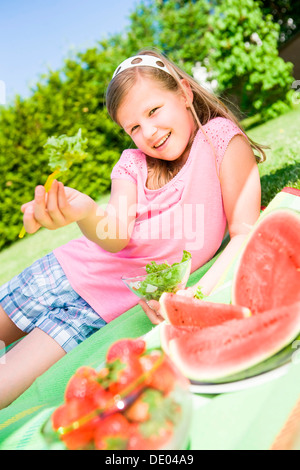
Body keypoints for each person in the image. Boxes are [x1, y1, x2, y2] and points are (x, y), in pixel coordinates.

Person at [0, 49, 265, 408]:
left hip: (97, 309)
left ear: (184, 93)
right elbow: (114, 235)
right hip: (62, 271)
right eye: (134, 127)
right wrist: (86, 211)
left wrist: (195, 295)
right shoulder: (132, 164)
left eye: (153, 111)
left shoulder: (218, 139)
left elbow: (244, 231)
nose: (149, 133)